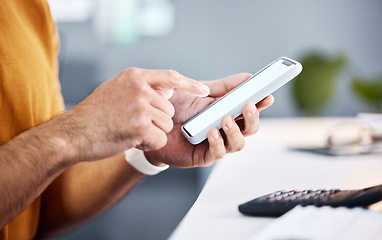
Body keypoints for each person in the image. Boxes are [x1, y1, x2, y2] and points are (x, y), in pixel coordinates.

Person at [0, 1, 274, 240]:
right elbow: (54, 146)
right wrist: (73, 132)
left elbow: (40, 202)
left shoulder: (33, 9)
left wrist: (149, 150)